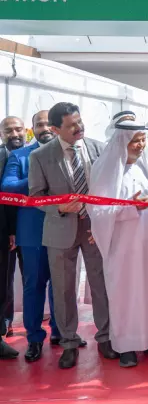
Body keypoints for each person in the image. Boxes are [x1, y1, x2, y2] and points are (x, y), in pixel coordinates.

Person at [28, 102, 118, 368]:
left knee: (101, 284)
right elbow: (35, 196)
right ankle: (68, 341)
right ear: (55, 129)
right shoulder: (40, 156)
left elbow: (110, 187)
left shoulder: (99, 148)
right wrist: (58, 207)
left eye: (79, 122)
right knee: (64, 289)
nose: (79, 128)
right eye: (71, 126)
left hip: (94, 228)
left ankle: (106, 337)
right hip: (60, 230)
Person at [88, 121, 148, 368]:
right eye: (134, 140)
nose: (139, 145)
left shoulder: (145, 168)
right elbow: (98, 212)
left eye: (142, 140)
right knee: (125, 295)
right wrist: (130, 207)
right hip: (121, 247)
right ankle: (126, 345)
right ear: (122, 141)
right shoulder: (105, 169)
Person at [1, 111, 67, 362]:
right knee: (34, 286)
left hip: (64, 228)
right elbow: (7, 187)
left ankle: (61, 332)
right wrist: (37, 176)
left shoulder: (70, 152)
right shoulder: (20, 156)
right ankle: (35, 338)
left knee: (62, 285)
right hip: (32, 233)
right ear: (33, 129)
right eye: (39, 124)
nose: (45, 128)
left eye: (49, 123)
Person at [1, 115, 26, 335]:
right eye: (8, 130)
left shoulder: (34, 155)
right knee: (4, 279)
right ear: (1, 134)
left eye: (18, 129)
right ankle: (5, 323)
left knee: (32, 278)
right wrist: (9, 230)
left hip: (31, 226)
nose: (14, 134)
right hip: (5, 230)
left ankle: (34, 322)